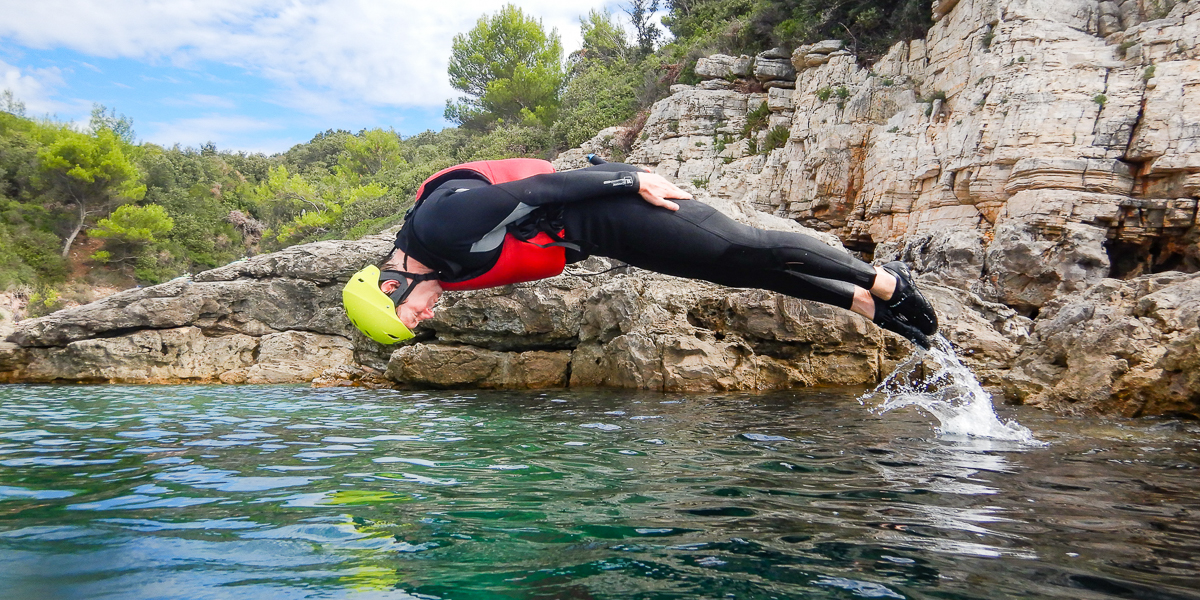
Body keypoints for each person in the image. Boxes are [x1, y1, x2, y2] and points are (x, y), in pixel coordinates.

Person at [342, 157, 937, 348]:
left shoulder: (440, 225)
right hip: (606, 236)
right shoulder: (444, 269)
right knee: (735, 274)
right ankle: (862, 303)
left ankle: (885, 280)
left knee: (740, 246)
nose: (425, 317)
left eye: (410, 315)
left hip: (616, 203)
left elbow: (541, 190)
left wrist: (632, 181)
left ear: (391, 286)